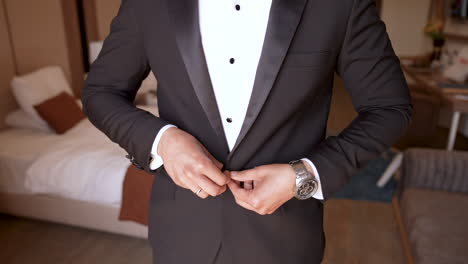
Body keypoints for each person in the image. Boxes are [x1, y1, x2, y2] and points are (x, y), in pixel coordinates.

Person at [81, 0, 412, 263]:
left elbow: (389, 108)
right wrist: (162, 140)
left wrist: (304, 175)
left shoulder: (340, 4)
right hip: (182, 233)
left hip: (284, 236)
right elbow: (101, 92)